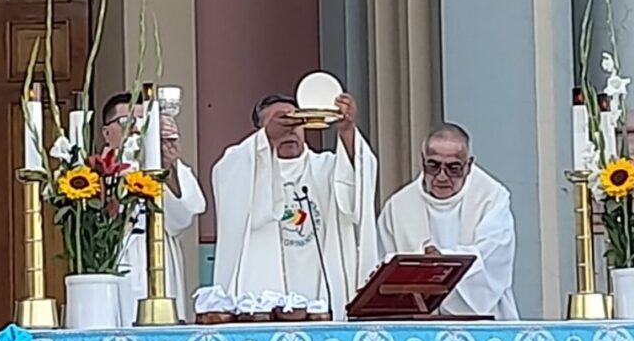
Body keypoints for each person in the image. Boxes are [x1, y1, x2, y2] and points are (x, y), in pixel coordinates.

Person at [211, 92, 378, 320]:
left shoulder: (327, 167)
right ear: (261, 130)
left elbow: (357, 179)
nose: (290, 129)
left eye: (296, 122)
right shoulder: (245, 165)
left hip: (322, 303)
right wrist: (267, 137)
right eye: (281, 122)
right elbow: (225, 175)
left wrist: (347, 130)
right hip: (262, 302)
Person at [377, 123, 518, 319]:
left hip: (484, 324)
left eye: (453, 168)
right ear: (422, 161)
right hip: (419, 327)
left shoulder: (492, 198)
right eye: (433, 166)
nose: (442, 177)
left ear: (468, 166)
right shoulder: (398, 206)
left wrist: (441, 261)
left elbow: (492, 258)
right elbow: (383, 270)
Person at [101, 92, 207, 321]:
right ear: (107, 133)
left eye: (144, 121)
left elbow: (182, 219)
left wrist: (168, 168)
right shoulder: (90, 173)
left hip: (160, 264)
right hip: (114, 266)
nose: (137, 129)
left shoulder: (166, 169)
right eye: (127, 121)